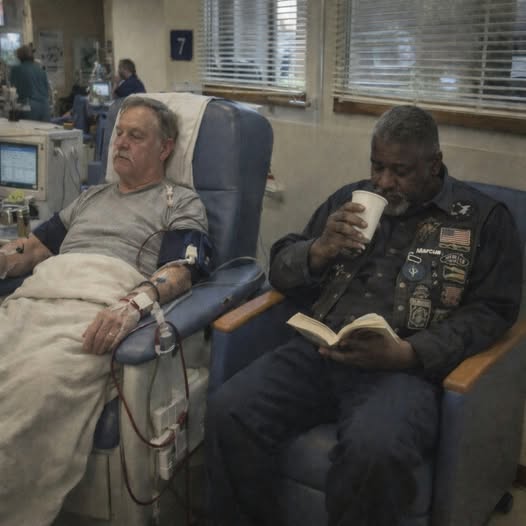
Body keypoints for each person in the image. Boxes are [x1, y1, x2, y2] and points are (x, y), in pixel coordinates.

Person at [205, 105, 522, 526]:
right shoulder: (350, 199)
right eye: (377, 166)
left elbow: (493, 311)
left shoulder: (483, 219)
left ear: (434, 165)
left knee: (376, 450)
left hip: (402, 371)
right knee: (228, 410)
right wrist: (317, 251)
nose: (384, 182)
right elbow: (281, 267)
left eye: (400, 171)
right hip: (320, 351)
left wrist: (410, 353)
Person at [0, 96, 210, 525]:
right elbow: (35, 248)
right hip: (39, 298)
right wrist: (5, 257)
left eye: (136, 136)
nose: (121, 143)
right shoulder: (90, 198)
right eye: (119, 134)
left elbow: (181, 270)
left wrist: (134, 304)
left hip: (97, 308)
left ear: (165, 148)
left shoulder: (178, 202)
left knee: (34, 389)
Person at [9, 44, 51, 121]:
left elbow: (14, 90)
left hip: (29, 108)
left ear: (19, 56)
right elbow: (47, 90)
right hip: (45, 108)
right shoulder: (41, 70)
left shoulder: (16, 69)